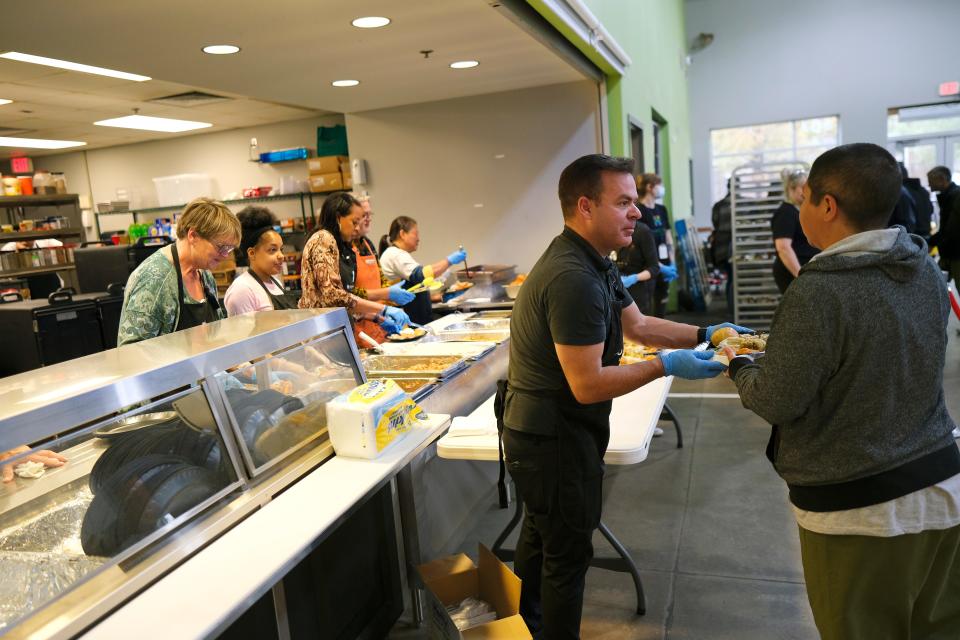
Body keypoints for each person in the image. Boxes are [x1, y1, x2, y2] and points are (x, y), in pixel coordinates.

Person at [502, 153, 750, 639]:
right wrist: (664, 366)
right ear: (585, 207)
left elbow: (638, 325)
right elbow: (587, 383)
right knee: (567, 557)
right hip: (551, 439)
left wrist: (707, 332)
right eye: (624, 202)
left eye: (635, 201)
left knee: (541, 535)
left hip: (556, 432)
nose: (637, 212)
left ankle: (520, 627)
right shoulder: (572, 277)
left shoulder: (597, 263)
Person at [725, 143, 960, 640]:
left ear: (827, 206)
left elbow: (776, 398)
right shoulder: (923, 270)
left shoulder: (820, 291)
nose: (800, 209)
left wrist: (740, 361)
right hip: (942, 485)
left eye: (804, 198)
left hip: (861, 510)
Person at [118, 197, 240, 345]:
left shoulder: (204, 274)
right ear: (193, 236)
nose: (225, 255)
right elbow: (131, 352)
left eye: (229, 249)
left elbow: (215, 335)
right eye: (221, 247)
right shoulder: (154, 279)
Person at [299, 192, 410, 340]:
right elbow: (333, 296)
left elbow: (346, 297)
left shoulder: (339, 244)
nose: (357, 228)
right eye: (354, 222)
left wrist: (377, 318)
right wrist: (383, 308)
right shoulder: (323, 239)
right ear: (338, 217)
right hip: (324, 332)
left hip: (338, 328)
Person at [379, 216, 467, 325]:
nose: (418, 238)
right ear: (402, 234)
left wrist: (440, 297)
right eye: (416, 234)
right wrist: (449, 261)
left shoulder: (399, 254)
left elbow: (413, 289)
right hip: (405, 321)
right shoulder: (395, 254)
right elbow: (420, 275)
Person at [224, 206, 298, 315]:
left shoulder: (275, 282)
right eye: (272, 250)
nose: (281, 256)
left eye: (281, 249)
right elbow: (245, 332)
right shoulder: (242, 290)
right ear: (252, 253)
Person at [636, 173, 678, 317]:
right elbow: (641, 244)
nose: (662, 188)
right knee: (646, 307)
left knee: (661, 305)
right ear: (649, 187)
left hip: (665, 262)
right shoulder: (639, 211)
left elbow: (667, 235)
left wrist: (672, 262)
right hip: (649, 266)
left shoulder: (662, 209)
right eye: (659, 185)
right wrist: (657, 265)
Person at [771, 168, 818, 293]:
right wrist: (800, 275)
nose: (808, 191)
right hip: (792, 273)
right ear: (791, 189)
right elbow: (783, 248)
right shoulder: (785, 213)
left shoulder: (799, 210)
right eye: (803, 187)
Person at [616, 218, 659, 315]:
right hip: (616, 287)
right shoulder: (610, 229)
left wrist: (634, 278)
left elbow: (654, 267)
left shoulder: (643, 231)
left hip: (638, 288)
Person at [929, 166, 960, 286]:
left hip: (955, 254)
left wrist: (932, 242)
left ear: (942, 179)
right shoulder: (950, 196)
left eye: (931, 180)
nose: (929, 184)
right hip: (949, 252)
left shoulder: (955, 196)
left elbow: (951, 229)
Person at [710, 178, 734, 311]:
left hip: (722, 247)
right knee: (735, 278)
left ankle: (731, 310)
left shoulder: (718, 205)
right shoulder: (744, 203)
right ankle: (736, 310)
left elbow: (715, 223)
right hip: (739, 247)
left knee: (731, 278)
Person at [901, 163, 933, 241]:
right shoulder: (923, 191)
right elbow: (930, 210)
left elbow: (904, 218)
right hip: (926, 235)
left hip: (912, 238)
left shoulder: (902, 192)